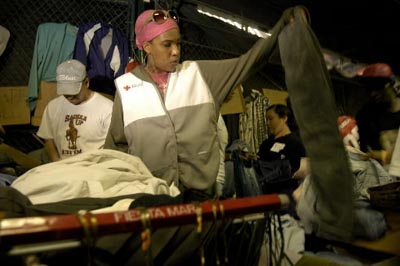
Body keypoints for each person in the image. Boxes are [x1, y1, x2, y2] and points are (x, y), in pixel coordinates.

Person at [104, 8, 301, 198]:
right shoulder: (126, 87)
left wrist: (282, 26)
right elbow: (116, 148)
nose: (175, 52)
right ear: (147, 46)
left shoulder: (199, 76)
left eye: (178, 44)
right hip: (150, 200)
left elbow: (248, 62)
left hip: (200, 198)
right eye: (167, 45)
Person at [37, 59, 113, 162]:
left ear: (86, 82)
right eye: (65, 92)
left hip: (93, 167)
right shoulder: (53, 107)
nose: (69, 96)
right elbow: (48, 137)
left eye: (74, 91)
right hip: (63, 166)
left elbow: (112, 147)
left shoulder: (107, 108)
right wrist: (55, 160)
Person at [257, 104, 306, 179]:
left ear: (284, 118)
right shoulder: (266, 143)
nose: (267, 123)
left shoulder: (295, 143)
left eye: (271, 119)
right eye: (266, 119)